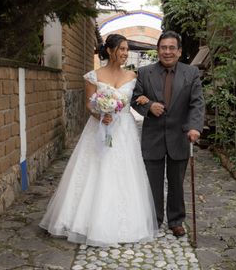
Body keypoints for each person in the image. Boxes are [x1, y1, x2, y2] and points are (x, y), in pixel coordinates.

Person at [39, 34, 158, 246]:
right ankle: (86, 222)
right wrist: (101, 114)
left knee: (124, 171)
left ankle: (126, 223)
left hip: (124, 130)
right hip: (100, 127)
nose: (124, 53)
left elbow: (138, 98)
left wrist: (144, 100)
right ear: (110, 51)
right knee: (97, 167)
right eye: (121, 49)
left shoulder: (133, 76)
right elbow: (88, 105)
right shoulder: (93, 76)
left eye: (126, 49)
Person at [132, 31, 205, 237]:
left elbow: (197, 103)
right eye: (163, 48)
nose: (167, 52)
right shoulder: (145, 72)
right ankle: (153, 219)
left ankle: (176, 220)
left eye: (172, 48)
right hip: (153, 136)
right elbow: (135, 98)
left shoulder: (191, 74)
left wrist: (194, 127)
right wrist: (149, 107)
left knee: (176, 183)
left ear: (179, 51)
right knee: (152, 182)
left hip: (180, 136)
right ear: (158, 50)